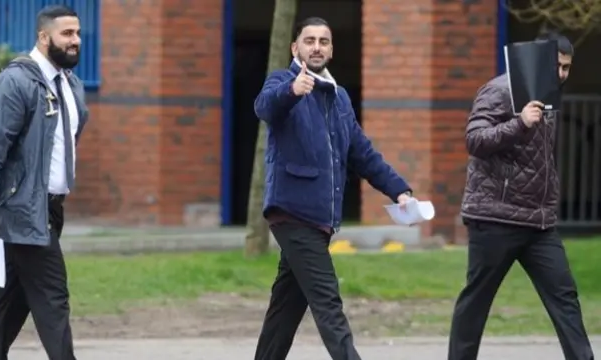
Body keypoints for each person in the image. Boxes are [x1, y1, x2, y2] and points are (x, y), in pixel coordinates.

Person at [252, 17, 413, 360]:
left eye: (323, 41)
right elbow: (264, 107)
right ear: (295, 48)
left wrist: (399, 191)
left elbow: (363, 154)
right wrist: (291, 90)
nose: (316, 47)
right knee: (328, 302)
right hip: (292, 213)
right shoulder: (282, 81)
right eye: (309, 41)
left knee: (285, 310)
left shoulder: (339, 98)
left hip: (321, 220)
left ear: (331, 50)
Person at [447, 32, 594, 360]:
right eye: (556, 65)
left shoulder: (549, 97)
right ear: (539, 59)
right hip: (496, 217)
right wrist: (520, 123)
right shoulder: (500, 89)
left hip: (539, 223)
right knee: (477, 301)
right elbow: (475, 140)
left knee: (564, 296)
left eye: (567, 68)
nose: (561, 74)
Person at [0, 5, 89, 360]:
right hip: (24, 211)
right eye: (67, 34)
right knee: (54, 297)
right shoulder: (15, 82)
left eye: (78, 33)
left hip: (51, 208)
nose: (75, 41)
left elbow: (61, 141)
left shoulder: (70, 84)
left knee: (10, 302)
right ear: (43, 36)